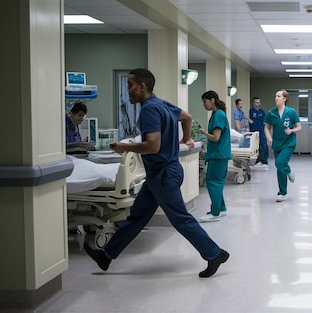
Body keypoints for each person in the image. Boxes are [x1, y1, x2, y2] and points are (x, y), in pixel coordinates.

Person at [83, 68, 229, 278]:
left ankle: (214, 254)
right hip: (162, 173)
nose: (128, 90)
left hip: (163, 175)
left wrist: (125, 147)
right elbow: (187, 117)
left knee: (181, 218)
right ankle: (106, 256)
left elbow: (152, 145)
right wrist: (184, 138)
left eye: (130, 85)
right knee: (137, 216)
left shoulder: (149, 110)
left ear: (142, 86)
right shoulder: (163, 104)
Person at [198, 91, 231, 222]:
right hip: (219, 154)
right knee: (216, 182)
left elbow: (216, 138)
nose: (204, 105)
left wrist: (204, 133)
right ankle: (221, 208)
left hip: (218, 155)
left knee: (213, 182)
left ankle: (215, 213)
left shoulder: (218, 115)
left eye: (205, 102)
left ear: (212, 100)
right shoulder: (217, 114)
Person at [264, 89, 302, 202]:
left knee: (280, 163)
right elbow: (266, 127)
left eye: (279, 96)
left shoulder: (291, 112)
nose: (276, 98)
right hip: (277, 143)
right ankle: (282, 192)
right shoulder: (271, 113)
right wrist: (269, 138)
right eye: (275, 96)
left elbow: (299, 127)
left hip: (289, 142)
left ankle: (289, 171)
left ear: (285, 98)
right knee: (280, 168)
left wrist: (292, 130)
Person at [249, 97, 269, 168]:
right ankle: (256, 161)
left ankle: (264, 161)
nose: (258, 104)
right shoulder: (251, 112)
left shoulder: (262, 112)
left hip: (262, 132)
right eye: (256, 102)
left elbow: (265, 122)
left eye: (259, 102)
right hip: (253, 133)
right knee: (254, 148)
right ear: (253, 103)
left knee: (263, 146)